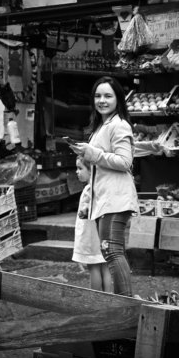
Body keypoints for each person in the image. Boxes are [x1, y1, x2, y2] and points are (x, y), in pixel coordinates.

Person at [68, 76, 137, 296]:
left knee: (113, 252)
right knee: (111, 253)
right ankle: (122, 304)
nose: (102, 100)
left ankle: (126, 305)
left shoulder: (119, 124)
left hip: (115, 199)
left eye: (108, 96)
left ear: (118, 99)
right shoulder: (104, 125)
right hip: (106, 199)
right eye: (98, 96)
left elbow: (125, 162)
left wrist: (92, 153)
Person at [71, 157, 112, 292]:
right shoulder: (101, 187)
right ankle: (109, 297)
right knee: (106, 267)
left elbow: (84, 213)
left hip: (91, 237)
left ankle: (96, 299)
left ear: (91, 171)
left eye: (80, 168)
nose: (77, 172)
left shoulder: (89, 190)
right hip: (102, 234)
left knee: (93, 267)